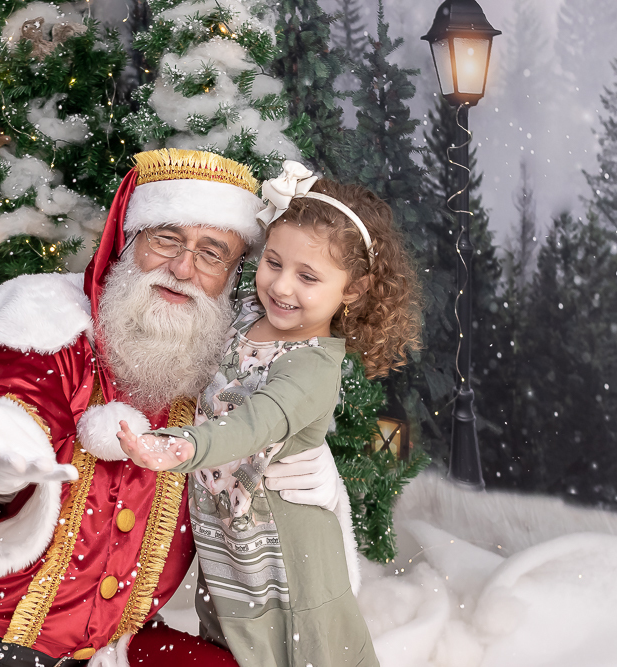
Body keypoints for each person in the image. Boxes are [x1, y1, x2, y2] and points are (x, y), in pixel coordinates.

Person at [0, 150, 356, 667]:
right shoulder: (49, 323)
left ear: (233, 275)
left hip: (106, 652)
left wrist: (313, 473)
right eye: (165, 238)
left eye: (212, 253)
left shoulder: (214, 363)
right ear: (129, 239)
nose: (183, 267)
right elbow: (17, 403)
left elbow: (266, 420)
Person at [118, 162, 422, 666]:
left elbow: (254, 422)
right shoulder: (245, 318)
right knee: (226, 645)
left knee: (294, 650)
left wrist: (182, 445)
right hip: (230, 541)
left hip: (284, 555)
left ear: (354, 290)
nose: (281, 287)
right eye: (273, 263)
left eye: (308, 276)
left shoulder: (313, 366)